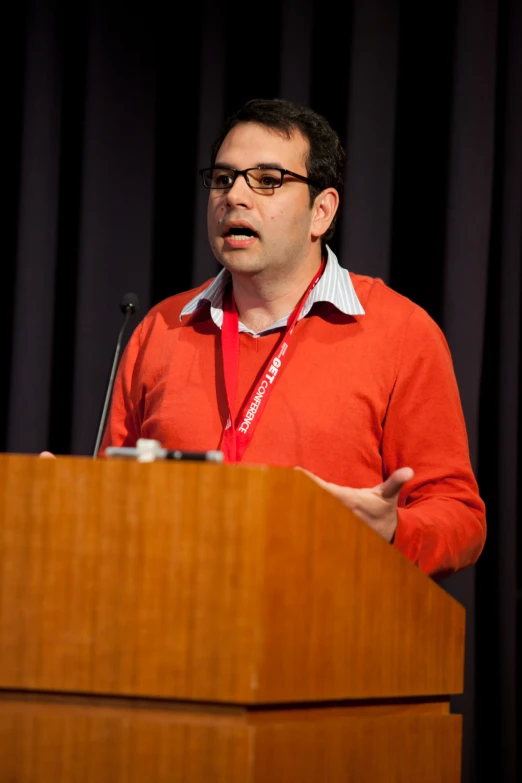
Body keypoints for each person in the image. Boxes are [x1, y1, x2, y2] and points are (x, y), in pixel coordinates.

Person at [94, 97, 485, 579]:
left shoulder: (401, 333)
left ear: (322, 211)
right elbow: (110, 493)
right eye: (223, 178)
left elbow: (460, 517)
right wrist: (67, 497)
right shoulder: (161, 327)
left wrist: (393, 529)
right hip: (173, 626)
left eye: (267, 180)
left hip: (328, 630)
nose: (234, 196)